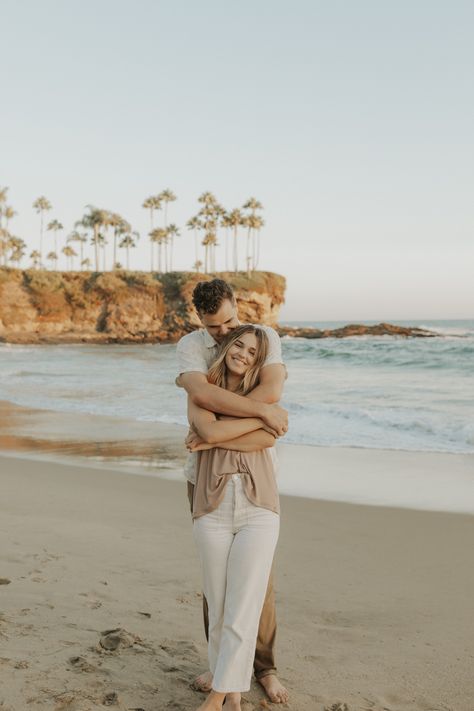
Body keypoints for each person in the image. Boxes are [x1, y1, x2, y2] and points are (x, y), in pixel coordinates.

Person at [176, 279, 289, 704]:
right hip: (203, 476)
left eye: (229, 322)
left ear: (236, 306)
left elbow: (272, 391)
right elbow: (204, 398)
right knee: (217, 583)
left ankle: (264, 668)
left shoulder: (262, 337)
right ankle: (221, 666)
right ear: (201, 320)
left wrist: (215, 432)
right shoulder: (191, 347)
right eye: (215, 327)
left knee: (258, 583)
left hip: (256, 479)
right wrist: (260, 413)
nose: (226, 335)